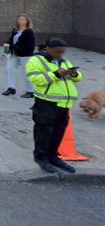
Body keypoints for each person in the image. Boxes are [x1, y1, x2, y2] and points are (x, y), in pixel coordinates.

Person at [26, 38, 83, 174]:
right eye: (57, 52)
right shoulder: (35, 61)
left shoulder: (63, 60)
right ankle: (41, 157)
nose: (60, 54)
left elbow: (78, 78)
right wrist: (56, 74)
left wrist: (74, 73)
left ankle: (53, 156)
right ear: (47, 48)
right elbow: (35, 79)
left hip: (64, 103)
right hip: (46, 102)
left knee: (58, 131)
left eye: (62, 52)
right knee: (44, 131)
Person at [2, 14, 35, 98]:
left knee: (26, 73)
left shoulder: (29, 32)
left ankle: (30, 91)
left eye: (23, 19)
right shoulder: (15, 31)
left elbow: (28, 45)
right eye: (19, 19)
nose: (21, 20)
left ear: (27, 21)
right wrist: (7, 43)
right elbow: (11, 40)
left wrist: (11, 46)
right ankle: (11, 88)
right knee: (9, 69)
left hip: (25, 55)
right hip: (14, 54)